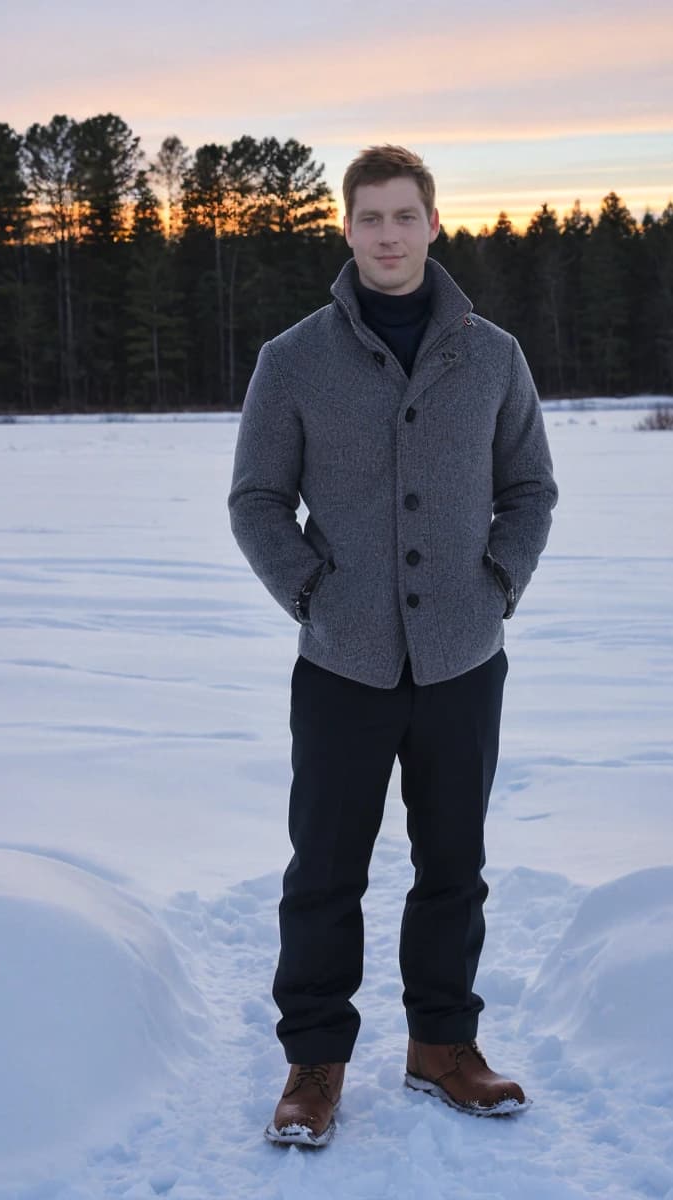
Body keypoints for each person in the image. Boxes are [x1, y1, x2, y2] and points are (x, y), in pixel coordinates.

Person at [228, 144, 558, 1147]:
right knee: (323, 869)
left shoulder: (492, 355)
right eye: (368, 218)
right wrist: (311, 592)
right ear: (345, 228)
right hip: (342, 664)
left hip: (462, 660)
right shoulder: (292, 359)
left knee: (451, 862)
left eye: (402, 216)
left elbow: (529, 490)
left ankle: (441, 1049)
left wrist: (496, 583)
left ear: (431, 222)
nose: (386, 236)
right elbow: (254, 501)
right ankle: (314, 1064)